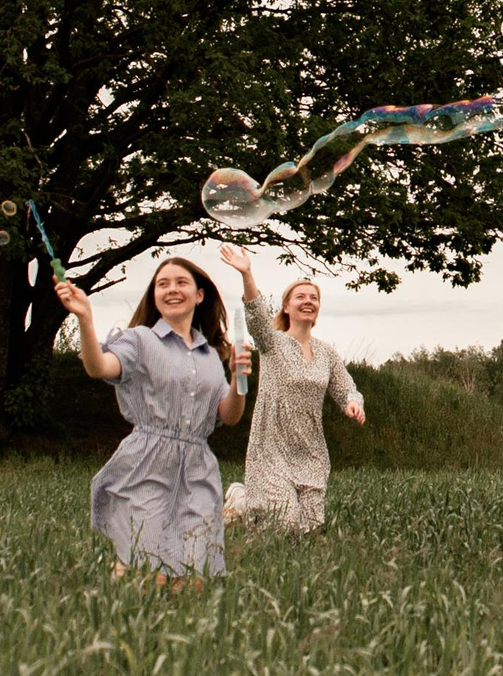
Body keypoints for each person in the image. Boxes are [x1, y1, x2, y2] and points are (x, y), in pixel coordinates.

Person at [62, 257, 253, 580]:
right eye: (162, 284)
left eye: (181, 283)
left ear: (199, 295)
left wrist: (237, 379)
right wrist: (85, 319)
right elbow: (99, 367)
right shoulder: (140, 341)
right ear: (154, 296)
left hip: (197, 470)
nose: (171, 289)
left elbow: (229, 416)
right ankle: (114, 614)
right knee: (149, 571)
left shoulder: (211, 356)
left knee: (193, 577)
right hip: (148, 464)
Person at [218, 245, 365, 533]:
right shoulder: (272, 343)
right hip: (271, 448)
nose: (308, 301)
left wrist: (352, 402)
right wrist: (247, 273)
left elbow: (346, 387)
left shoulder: (327, 353)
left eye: (314, 297)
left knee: (307, 531)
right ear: (287, 306)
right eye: (300, 296)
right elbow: (257, 316)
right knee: (283, 527)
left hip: (311, 453)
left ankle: (246, 504)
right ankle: (245, 501)